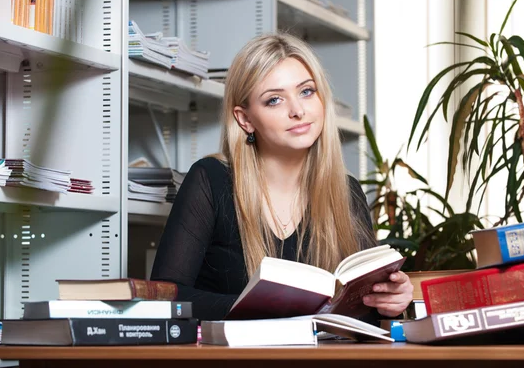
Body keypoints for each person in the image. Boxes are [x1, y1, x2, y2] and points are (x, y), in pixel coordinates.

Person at [151, 33, 413, 321]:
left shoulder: (346, 191)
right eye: (274, 100)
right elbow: (166, 295)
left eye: (306, 91)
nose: (298, 111)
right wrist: (270, 308)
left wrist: (390, 301)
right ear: (245, 119)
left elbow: (362, 309)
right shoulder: (210, 181)